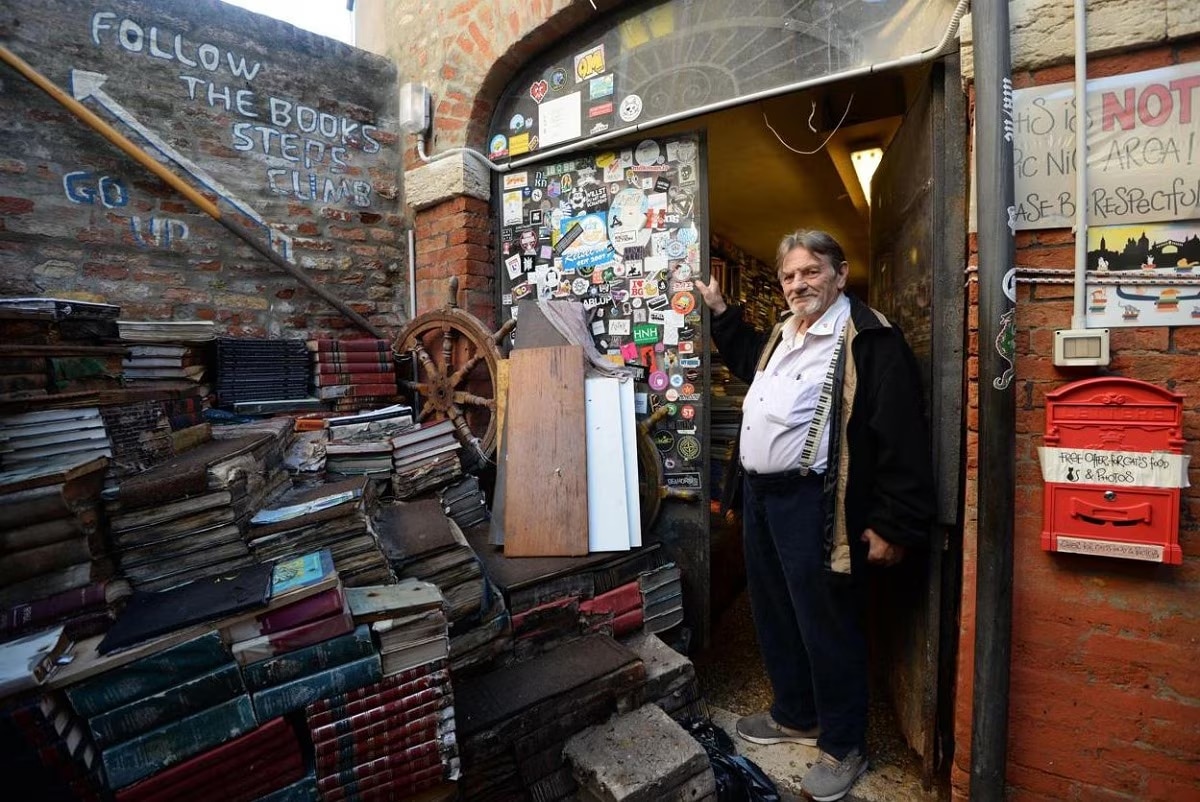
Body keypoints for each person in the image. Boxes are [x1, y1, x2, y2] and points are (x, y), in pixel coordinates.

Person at [694, 229, 934, 802]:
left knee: (825, 622)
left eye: (810, 271)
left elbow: (901, 433)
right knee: (773, 610)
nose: (797, 284)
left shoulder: (871, 339)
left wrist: (894, 523)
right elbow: (748, 360)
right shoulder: (784, 331)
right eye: (789, 275)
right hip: (761, 498)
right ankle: (795, 713)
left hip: (817, 502)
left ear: (839, 274)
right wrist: (722, 312)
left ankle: (844, 743)